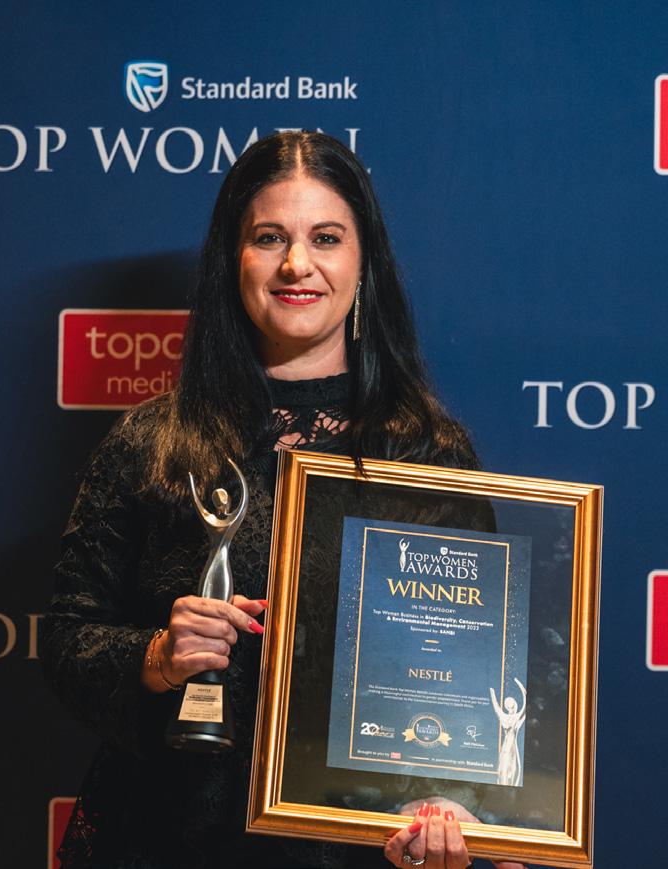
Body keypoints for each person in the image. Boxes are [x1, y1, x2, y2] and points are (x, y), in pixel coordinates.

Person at [42, 131, 525, 869]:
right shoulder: (152, 442)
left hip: (350, 849)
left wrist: (450, 804)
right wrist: (158, 655)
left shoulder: (426, 454)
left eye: (325, 238)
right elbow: (65, 641)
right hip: (165, 839)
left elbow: (472, 673)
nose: (297, 263)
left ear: (363, 262)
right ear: (232, 259)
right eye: (269, 237)